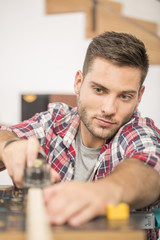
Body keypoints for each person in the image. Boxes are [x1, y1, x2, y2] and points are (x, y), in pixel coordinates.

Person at [0, 31, 160, 237]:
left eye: (125, 96)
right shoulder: (54, 122)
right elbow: (6, 134)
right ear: (78, 82)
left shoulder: (139, 131)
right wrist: (8, 147)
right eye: (99, 90)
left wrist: (105, 192)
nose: (109, 108)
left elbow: (149, 169)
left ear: (139, 96)